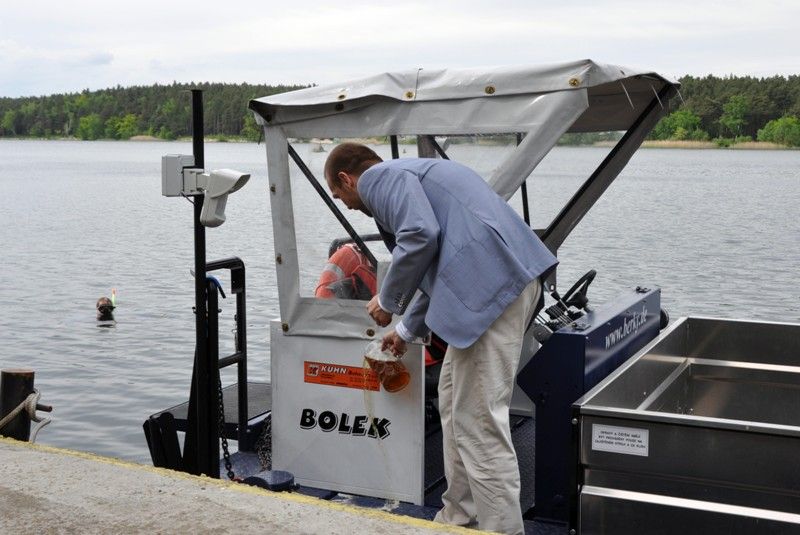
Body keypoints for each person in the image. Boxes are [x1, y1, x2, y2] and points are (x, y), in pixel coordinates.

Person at [324, 143, 557, 535]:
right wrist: (404, 331)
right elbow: (437, 267)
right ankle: (458, 517)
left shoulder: (380, 179)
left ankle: (503, 529)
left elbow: (419, 235)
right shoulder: (416, 174)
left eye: (339, 195)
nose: (346, 204)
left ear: (348, 179)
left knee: (479, 421)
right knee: (453, 405)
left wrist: (387, 300)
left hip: (491, 291)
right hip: (502, 283)